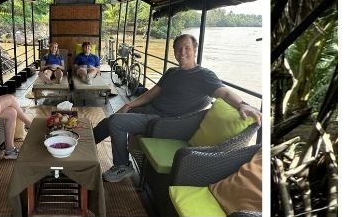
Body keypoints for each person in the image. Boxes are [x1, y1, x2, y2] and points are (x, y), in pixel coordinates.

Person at [101, 33, 263, 182]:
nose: (182, 52)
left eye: (187, 48)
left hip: (164, 121)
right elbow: (151, 94)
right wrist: (129, 105)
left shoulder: (204, 76)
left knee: (116, 121)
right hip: (150, 110)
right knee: (111, 119)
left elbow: (225, 93)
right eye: (178, 49)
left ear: (195, 50)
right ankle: (84, 142)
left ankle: (123, 165)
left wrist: (243, 105)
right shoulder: (172, 72)